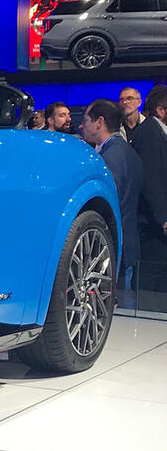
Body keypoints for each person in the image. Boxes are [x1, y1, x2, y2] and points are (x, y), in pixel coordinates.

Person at [81, 99, 143, 292]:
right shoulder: (127, 152)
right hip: (125, 241)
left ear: (99, 122)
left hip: (111, 245)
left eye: (86, 120)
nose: (82, 125)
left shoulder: (110, 157)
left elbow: (109, 201)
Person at [132, 85, 167, 305]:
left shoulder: (158, 132)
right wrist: (163, 217)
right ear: (161, 110)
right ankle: (146, 317)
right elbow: (151, 180)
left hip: (156, 221)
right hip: (151, 222)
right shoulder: (150, 133)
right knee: (150, 274)